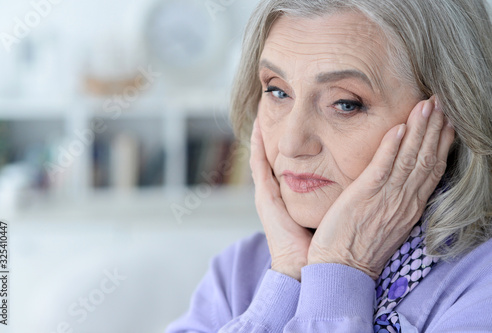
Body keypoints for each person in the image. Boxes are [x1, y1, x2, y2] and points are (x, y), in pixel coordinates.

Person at [166, 0, 492, 331]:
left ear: (448, 116)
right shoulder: (240, 272)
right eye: (277, 91)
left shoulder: (482, 288)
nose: (290, 143)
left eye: (345, 103)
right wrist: (288, 277)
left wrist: (342, 267)